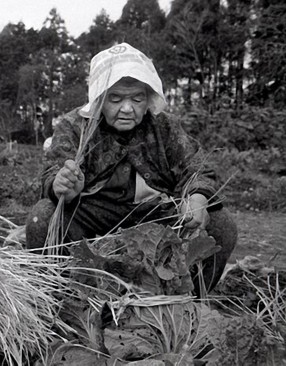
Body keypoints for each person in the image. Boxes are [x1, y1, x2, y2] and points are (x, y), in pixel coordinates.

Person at [25, 43, 237, 294]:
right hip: (92, 215)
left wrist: (197, 197)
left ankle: (188, 302)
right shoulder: (74, 126)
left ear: (148, 97)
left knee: (221, 224)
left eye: (137, 99)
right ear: (99, 98)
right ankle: (59, 301)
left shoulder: (164, 126)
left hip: (154, 215)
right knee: (42, 218)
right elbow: (53, 173)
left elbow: (197, 167)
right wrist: (64, 186)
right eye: (115, 99)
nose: (127, 108)